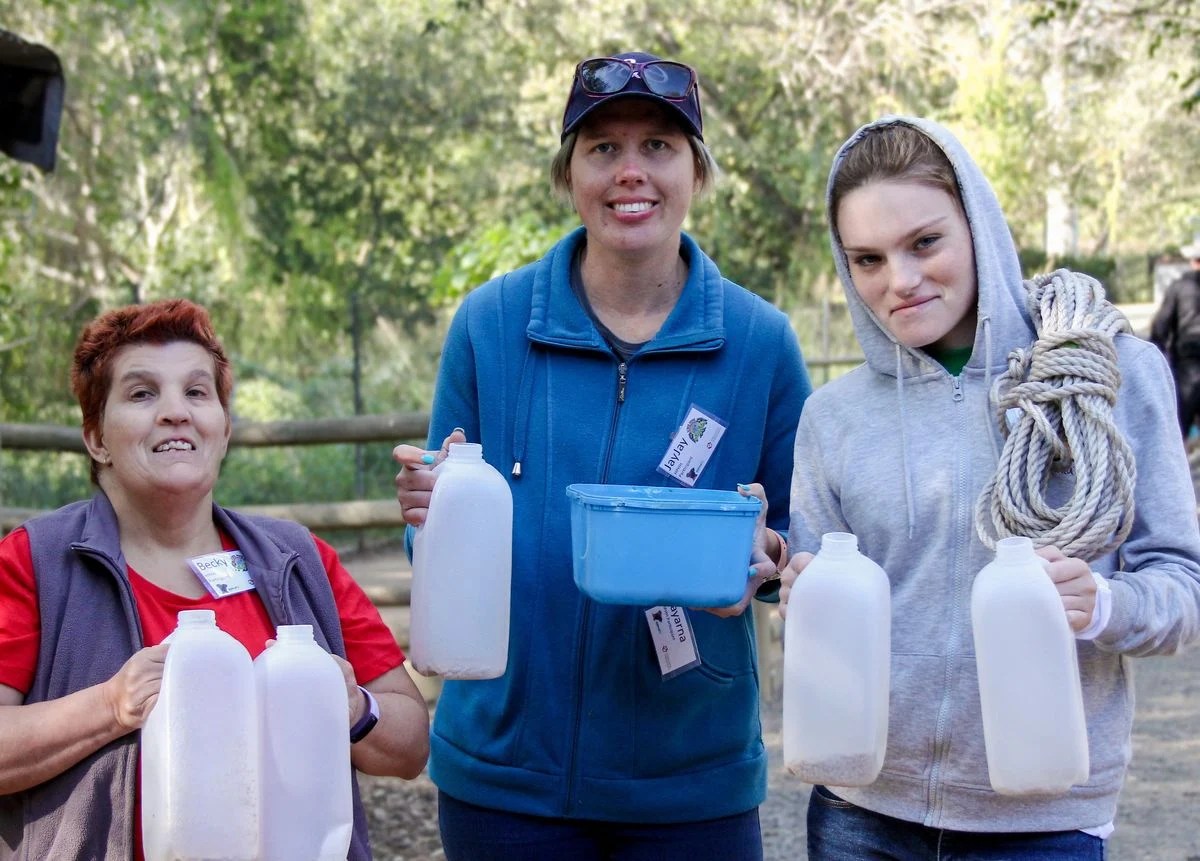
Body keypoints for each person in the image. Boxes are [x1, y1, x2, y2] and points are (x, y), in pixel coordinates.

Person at [393, 51, 811, 860]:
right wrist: (430, 515)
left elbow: (799, 538)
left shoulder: (761, 343)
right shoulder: (489, 325)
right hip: (504, 779)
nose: (632, 172)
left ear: (697, 172)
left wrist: (764, 560)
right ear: (568, 173)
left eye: (659, 146)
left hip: (692, 784)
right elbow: (436, 526)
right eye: (603, 148)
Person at [780, 117, 1200, 859]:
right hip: (858, 814)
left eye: (925, 243)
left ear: (977, 224)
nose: (899, 282)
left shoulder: (1111, 375)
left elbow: (1182, 585)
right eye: (867, 259)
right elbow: (817, 600)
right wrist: (800, 587)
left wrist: (1104, 604)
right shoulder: (831, 418)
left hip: (1041, 821)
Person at [0, 299, 430, 860]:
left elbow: (410, 745)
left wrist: (355, 710)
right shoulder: (34, 561)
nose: (176, 412)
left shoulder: (298, 559)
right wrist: (109, 707)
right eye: (142, 393)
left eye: (197, 393)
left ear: (223, 430)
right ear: (96, 438)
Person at [1149, 241, 1200, 439]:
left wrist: (1157, 356)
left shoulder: (1179, 288)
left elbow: (1161, 326)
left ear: (1193, 262)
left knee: (1178, 432)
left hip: (1188, 366)